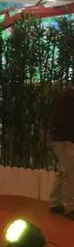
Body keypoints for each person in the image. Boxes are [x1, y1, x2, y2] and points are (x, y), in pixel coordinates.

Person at [49, 85, 74, 219]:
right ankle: (70, 207)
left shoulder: (65, 96)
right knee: (70, 174)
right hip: (66, 140)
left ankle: (55, 203)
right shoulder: (70, 97)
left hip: (60, 139)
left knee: (63, 172)